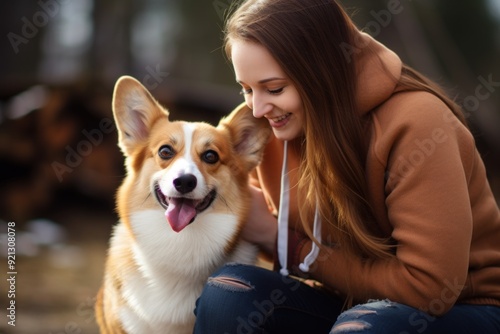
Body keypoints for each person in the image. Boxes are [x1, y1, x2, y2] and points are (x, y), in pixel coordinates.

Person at [193, 0, 500, 332]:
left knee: (363, 329)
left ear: (322, 71)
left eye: (274, 88)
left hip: (462, 309)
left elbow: (428, 287)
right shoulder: (274, 125)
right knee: (230, 296)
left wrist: (290, 246)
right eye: (247, 89)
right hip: (344, 303)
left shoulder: (419, 125)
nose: (257, 109)